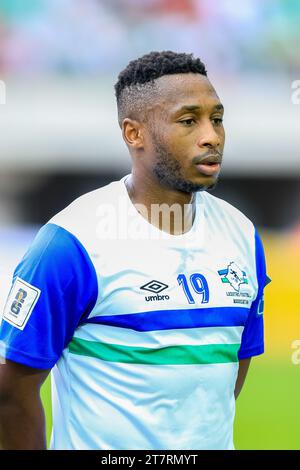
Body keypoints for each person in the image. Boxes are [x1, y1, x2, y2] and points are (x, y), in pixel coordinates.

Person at [0, 51, 270, 450]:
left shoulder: (242, 235)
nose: (211, 135)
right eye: (188, 120)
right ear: (133, 133)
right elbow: (10, 394)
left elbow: (225, 384)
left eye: (217, 118)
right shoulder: (72, 242)